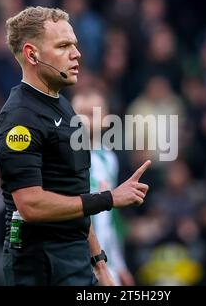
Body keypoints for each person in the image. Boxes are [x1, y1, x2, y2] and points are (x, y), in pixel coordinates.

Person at [0, 7, 150, 286]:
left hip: (76, 259)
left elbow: (74, 193)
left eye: (75, 45)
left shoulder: (63, 106)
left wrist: (101, 265)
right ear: (32, 54)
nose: (76, 54)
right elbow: (30, 204)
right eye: (64, 46)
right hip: (39, 265)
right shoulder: (20, 118)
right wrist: (109, 198)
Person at [72, 91, 135, 286]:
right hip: (76, 258)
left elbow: (111, 218)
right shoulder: (67, 157)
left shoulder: (109, 158)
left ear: (107, 119)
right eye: (79, 113)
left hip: (105, 260)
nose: (84, 120)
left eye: (91, 113)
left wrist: (120, 264)